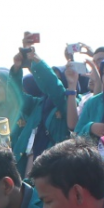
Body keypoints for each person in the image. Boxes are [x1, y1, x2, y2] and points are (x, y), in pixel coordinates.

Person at [12, 45, 72, 173]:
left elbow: (55, 88)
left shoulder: (68, 103)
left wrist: (37, 62)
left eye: (58, 78)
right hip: (28, 163)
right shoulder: (38, 103)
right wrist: (16, 70)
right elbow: (16, 97)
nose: (48, 81)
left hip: (52, 166)